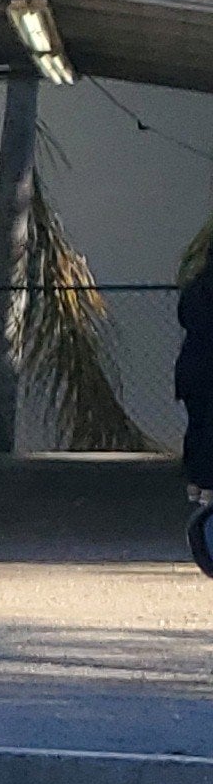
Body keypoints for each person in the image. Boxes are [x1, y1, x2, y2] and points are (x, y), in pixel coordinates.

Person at [184, 233, 213, 576]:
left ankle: (199, 482)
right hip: (203, 370)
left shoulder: (196, 288)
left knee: (200, 426)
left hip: (195, 371)